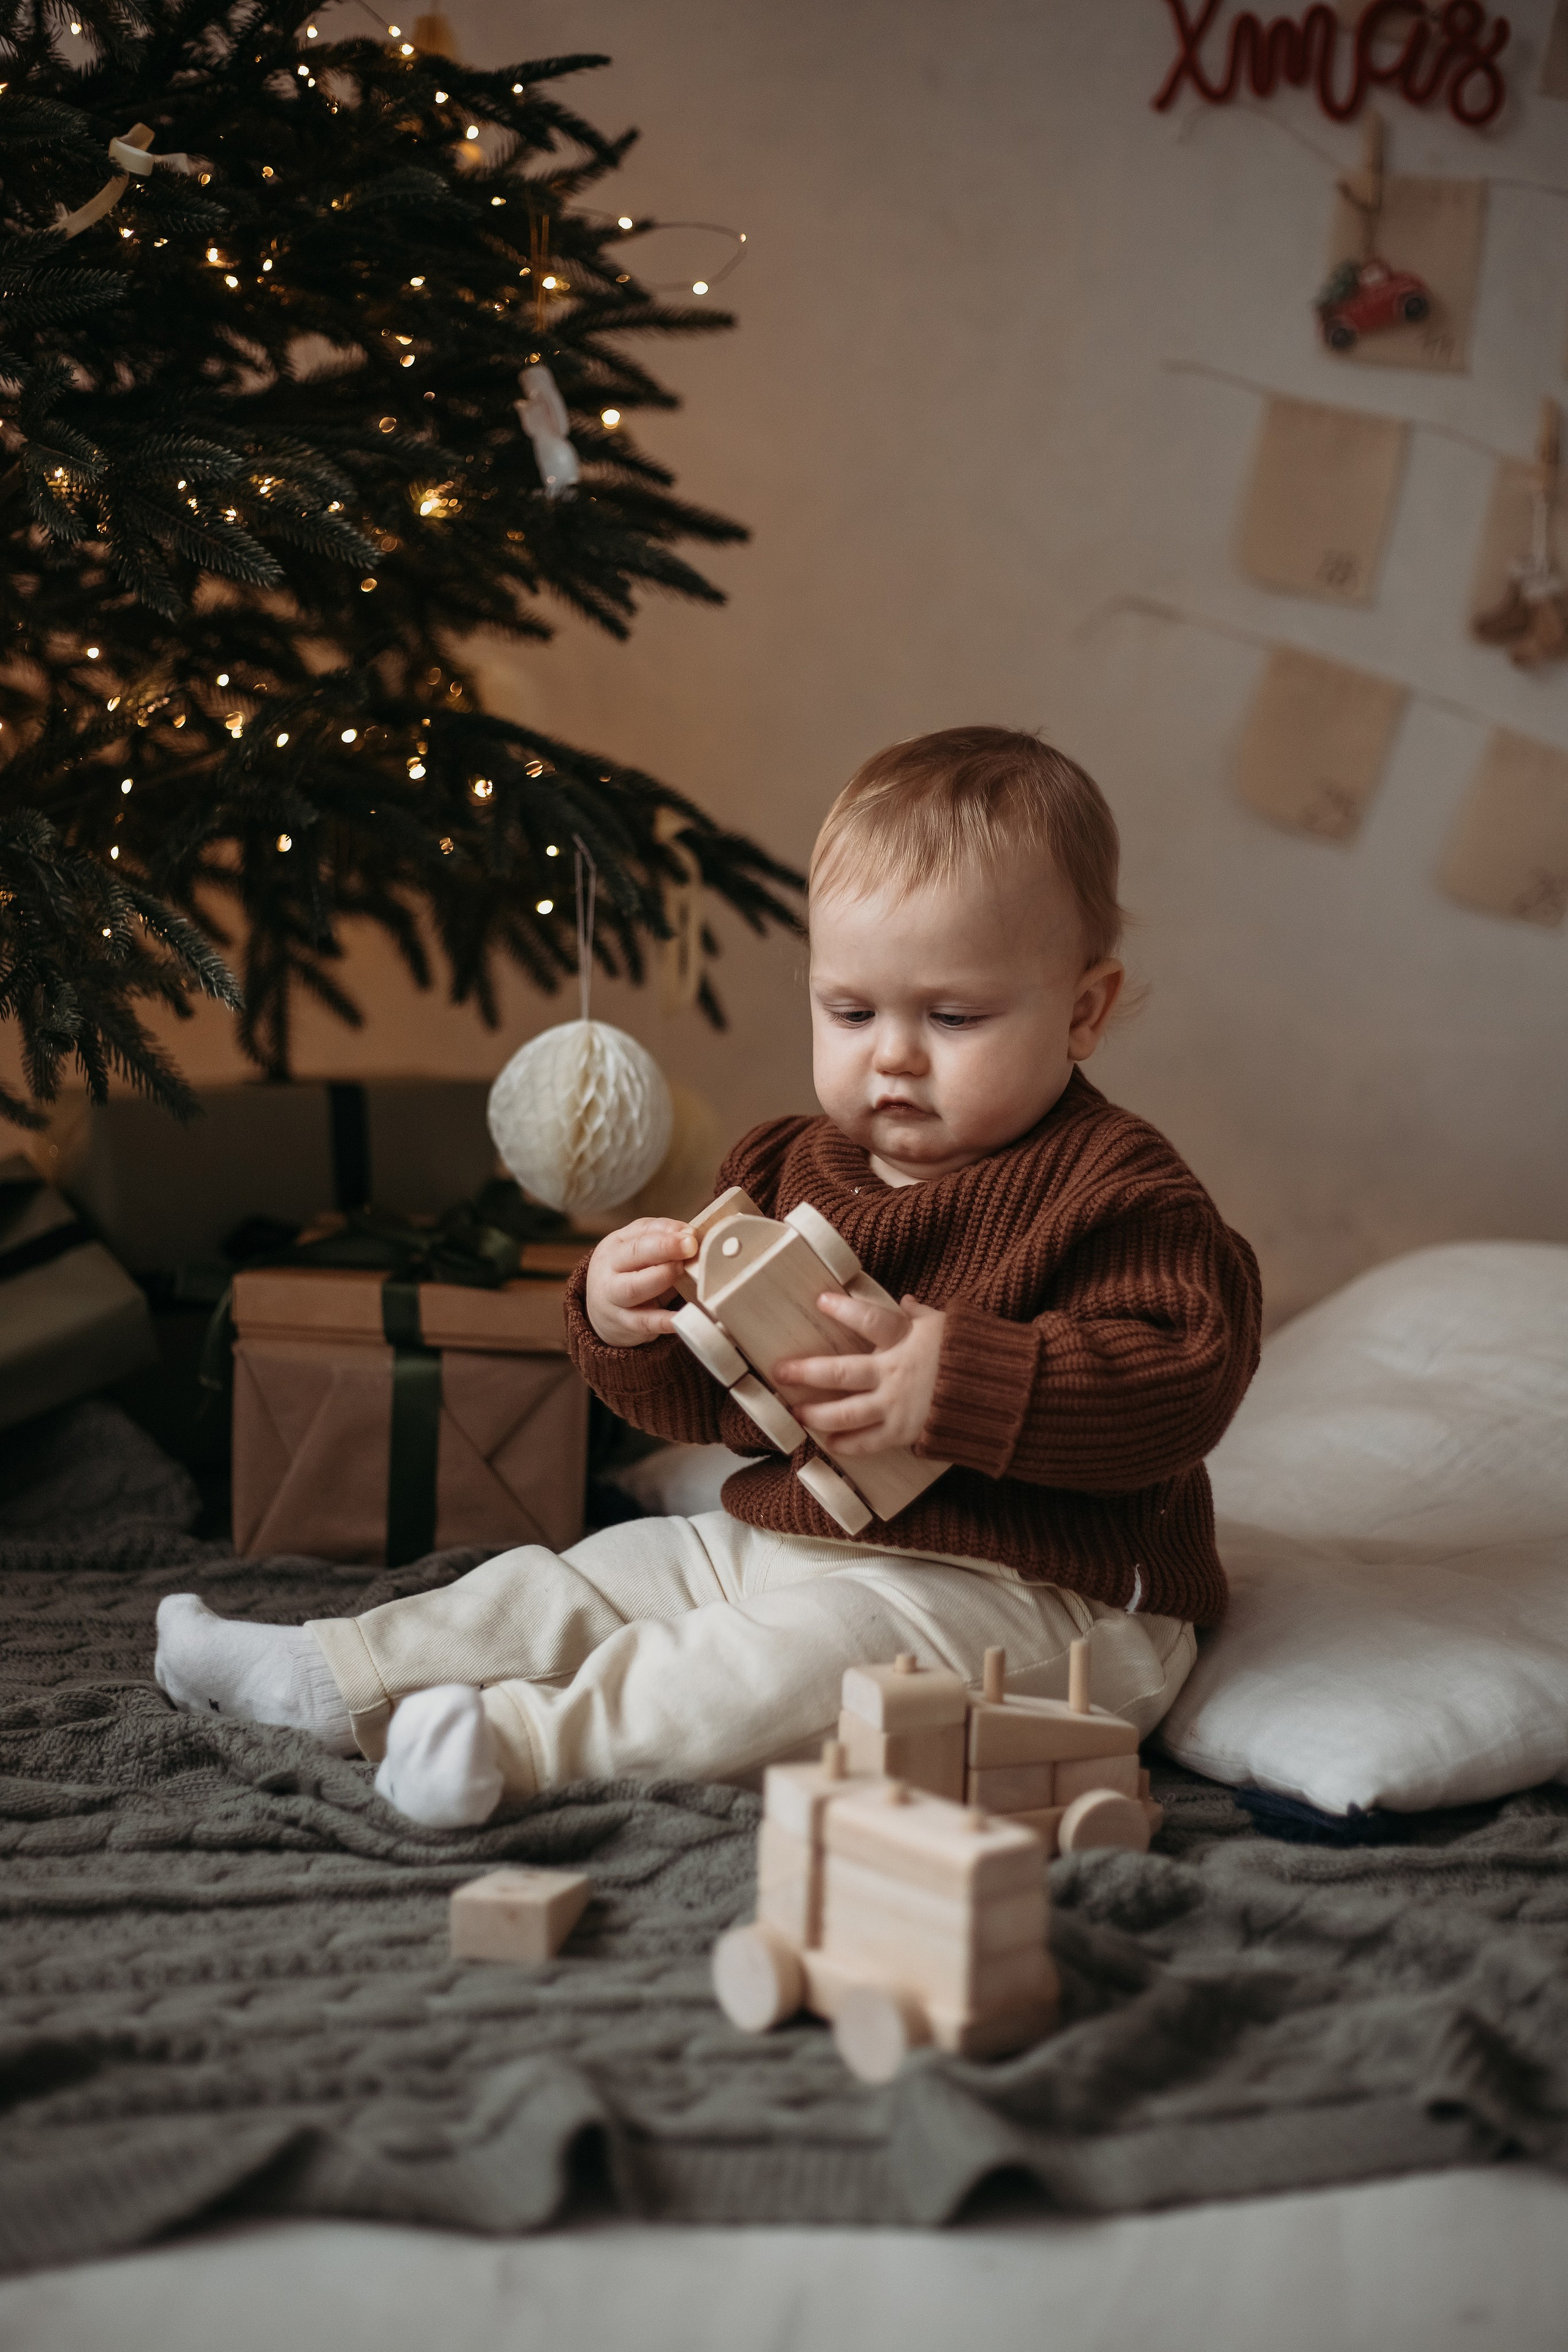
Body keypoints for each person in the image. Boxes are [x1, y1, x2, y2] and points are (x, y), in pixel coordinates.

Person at [155, 726, 1262, 1826]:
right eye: (851, 1011)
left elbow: (1185, 1380)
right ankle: (339, 1676)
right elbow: (717, 1407)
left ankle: (512, 1748)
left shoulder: (1120, 1188)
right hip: (794, 1535)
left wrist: (966, 1382)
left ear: (1083, 1011)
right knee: (598, 1576)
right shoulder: (787, 1166)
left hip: (1040, 1604)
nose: (893, 1056)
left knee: (770, 1668)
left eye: (954, 1017)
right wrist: (623, 1321)